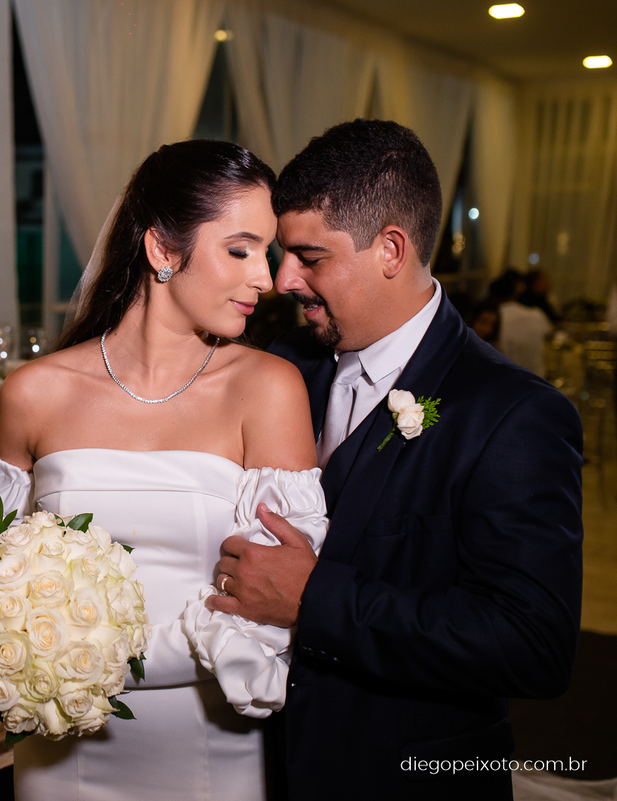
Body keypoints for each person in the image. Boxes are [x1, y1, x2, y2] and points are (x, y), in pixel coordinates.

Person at [207, 120, 584, 800]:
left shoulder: (513, 413)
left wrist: (315, 598)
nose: (280, 279)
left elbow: (533, 644)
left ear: (390, 249)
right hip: (259, 769)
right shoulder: (283, 370)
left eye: (308, 256)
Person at [0, 140, 329, 800]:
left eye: (267, 253)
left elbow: (272, 608)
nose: (267, 278)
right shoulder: (32, 393)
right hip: (58, 752)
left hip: (209, 751)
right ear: (162, 250)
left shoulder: (268, 390)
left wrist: (81, 663)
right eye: (240, 249)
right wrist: (33, 664)